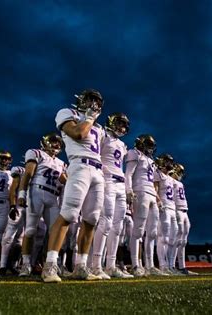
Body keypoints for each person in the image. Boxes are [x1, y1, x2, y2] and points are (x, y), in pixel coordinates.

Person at [41, 89, 105, 283]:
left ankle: (81, 266)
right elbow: (79, 133)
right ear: (81, 100)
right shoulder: (67, 113)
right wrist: (89, 118)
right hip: (79, 166)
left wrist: (92, 119)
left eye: (97, 101)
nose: (93, 104)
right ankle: (50, 265)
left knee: (91, 220)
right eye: (90, 100)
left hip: (97, 171)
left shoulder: (100, 127)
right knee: (68, 214)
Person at [17, 132, 66, 277]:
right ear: (44, 142)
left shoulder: (61, 163)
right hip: (36, 192)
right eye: (53, 141)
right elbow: (28, 174)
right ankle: (25, 264)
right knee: (31, 230)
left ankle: (50, 264)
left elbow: (64, 181)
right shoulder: (35, 153)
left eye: (58, 142)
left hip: (53, 197)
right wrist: (22, 193)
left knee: (54, 232)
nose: (56, 144)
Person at [91, 112, 133, 279]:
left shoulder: (123, 145)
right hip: (107, 179)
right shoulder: (102, 135)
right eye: (119, 123)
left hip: (121, 183)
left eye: (124, 125)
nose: (122, 127)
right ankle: (95, 265)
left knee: (118, 226)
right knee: (106, 221)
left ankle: (110, 265)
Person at [125, 134, 163, 277]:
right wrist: (128, 190)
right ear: (141, 144)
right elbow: (128, 174)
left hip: (151, 194)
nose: (150, 148)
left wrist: (158, 198)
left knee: (152, 232)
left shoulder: (150, 160)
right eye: (148, 144)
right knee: (138, 230)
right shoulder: (135, 153)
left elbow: (153, 182)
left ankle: (150, 265)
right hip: (140, 191)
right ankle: (135, 265)